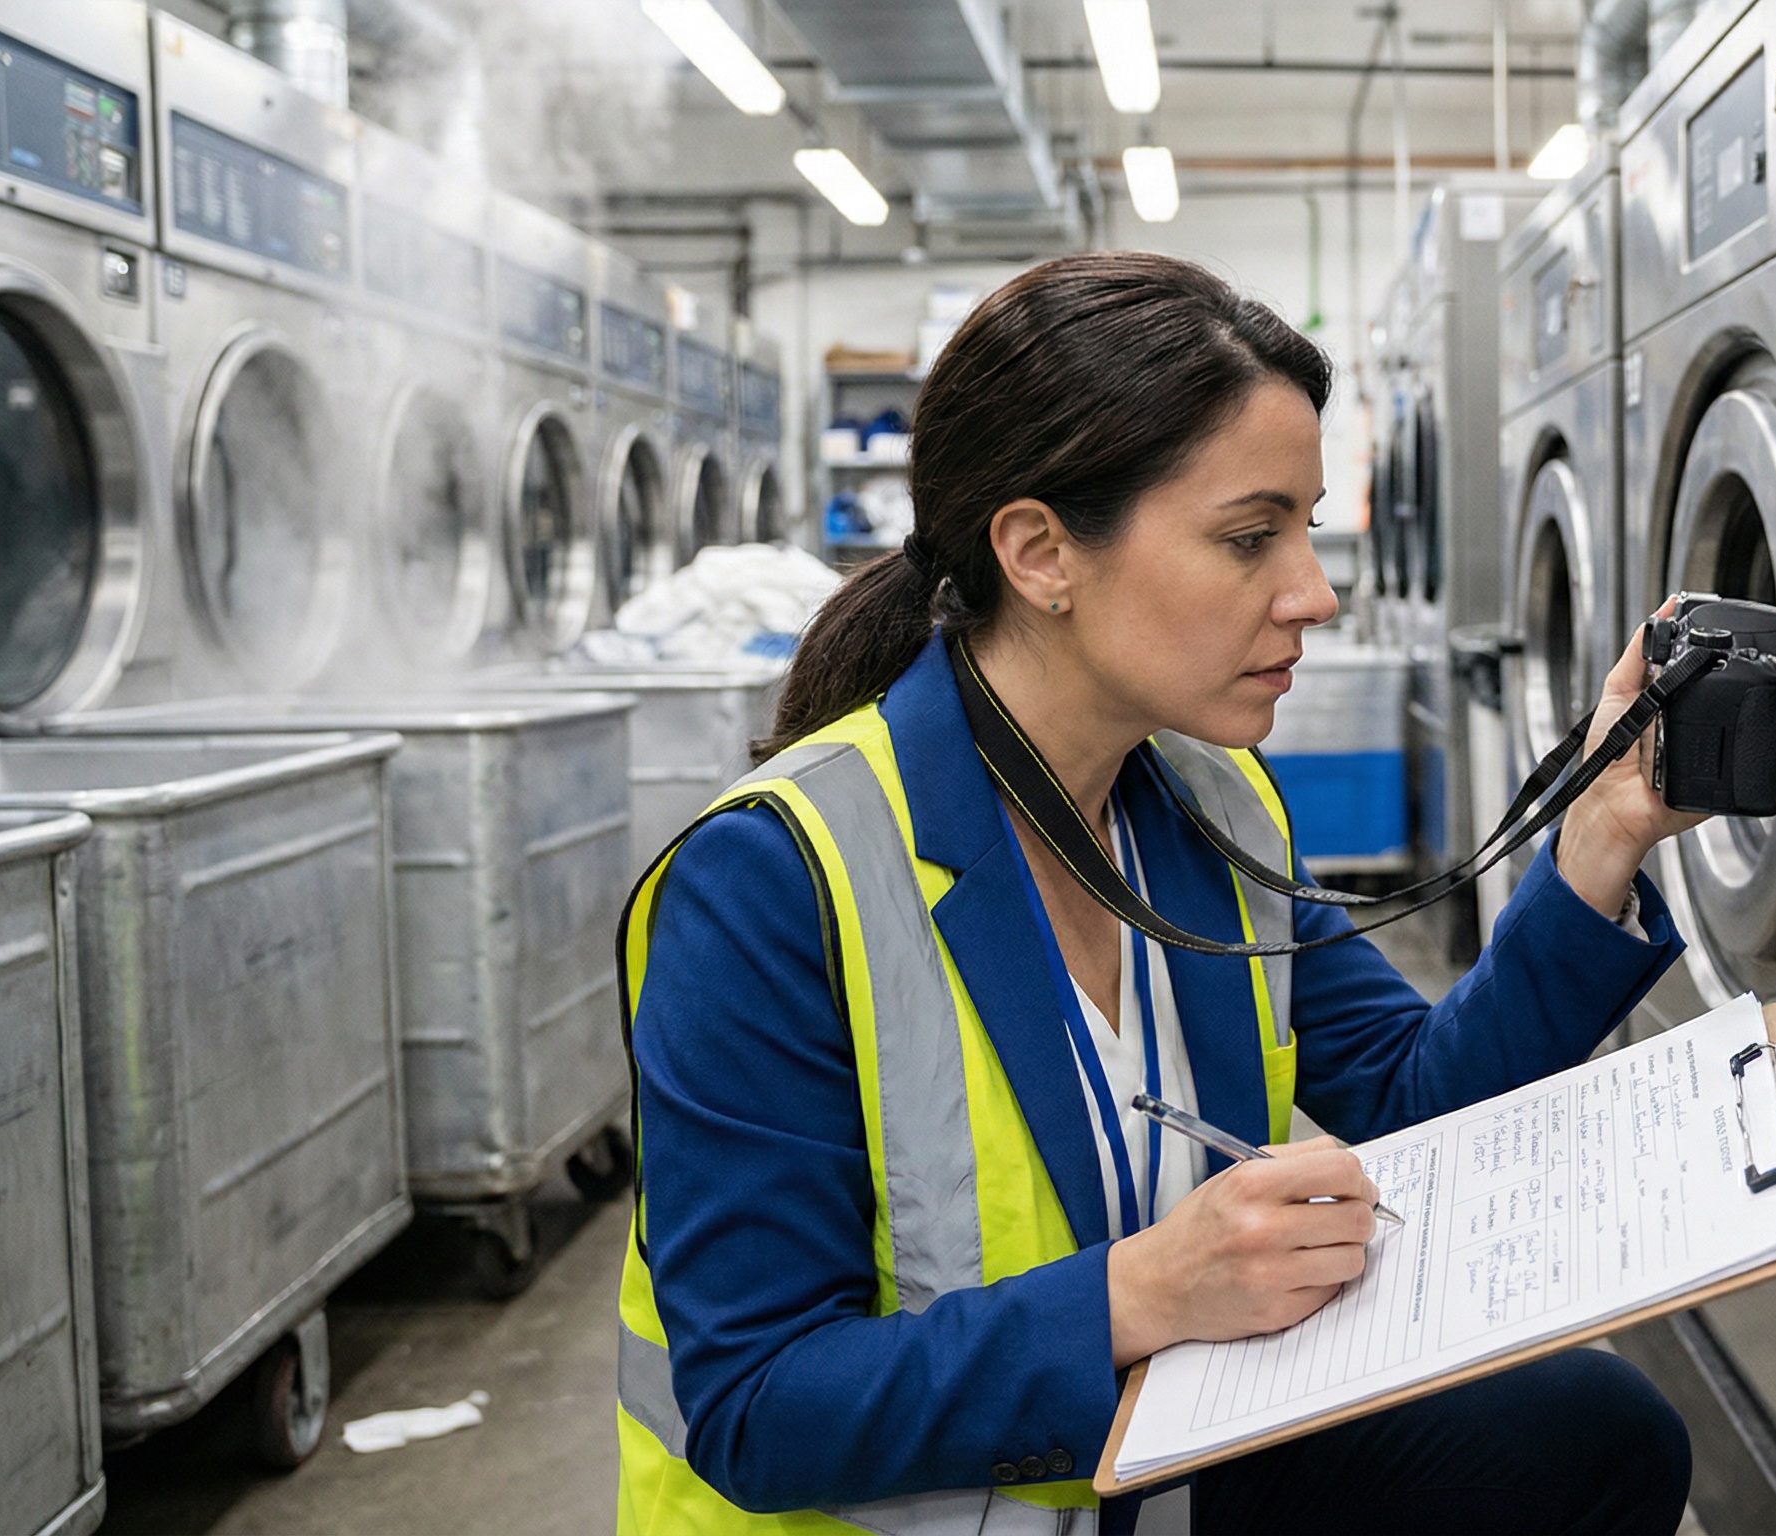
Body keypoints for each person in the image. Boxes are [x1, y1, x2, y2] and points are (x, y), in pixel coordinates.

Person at [615, 252, 1710, 1535]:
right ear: (1038, 552)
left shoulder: (1192, 806)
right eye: (1251, 538)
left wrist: (1598, 833)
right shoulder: (772, 876)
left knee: (1591, 1430)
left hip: (1146, 1460)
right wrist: (1135, 1296)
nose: (1314, 590)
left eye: (1305, 526)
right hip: (938, 1502)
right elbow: (756, 1401)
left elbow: (1415, 1104)